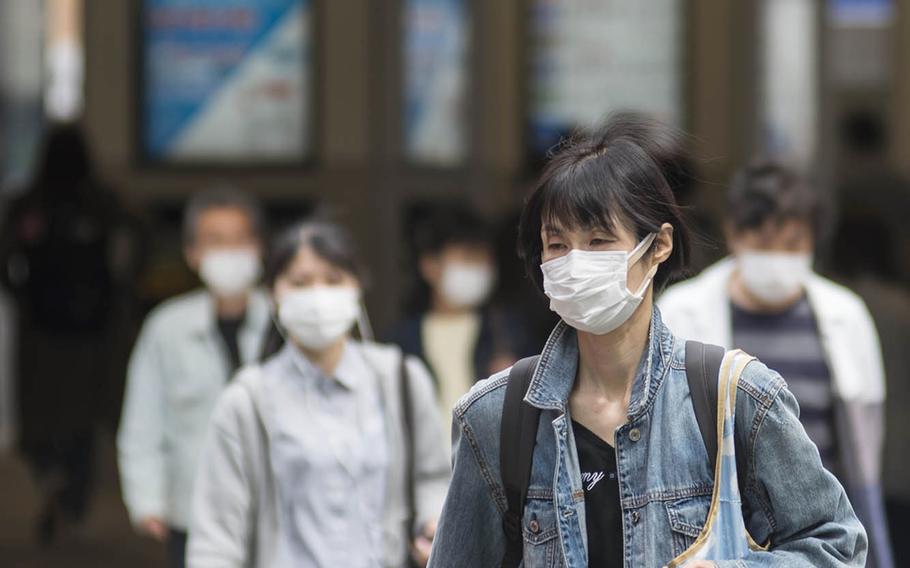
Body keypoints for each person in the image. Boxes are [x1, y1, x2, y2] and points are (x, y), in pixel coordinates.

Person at [428, 115, 866, 567]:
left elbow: (836, 543)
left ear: (658, 247)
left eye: (599, 241)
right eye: (556, 245)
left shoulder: (735, 399)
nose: (575, 264)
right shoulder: (495, 417)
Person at [659, 161, 891, 567]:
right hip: (710, 538)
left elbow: (863, 455)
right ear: (733, 233)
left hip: (818, 539)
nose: (776, 258)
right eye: (763, 242)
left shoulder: (845, 316)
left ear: (814, 242)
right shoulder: (681, 313)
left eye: (792, 244)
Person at [188, 220, 450, 568]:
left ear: (357, 287)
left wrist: (432, 527)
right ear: (273, 294)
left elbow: (434, 477)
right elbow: (217, 535)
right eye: (300, 283)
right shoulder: (247, 401)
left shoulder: (401, 379)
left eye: (333, 280)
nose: (318, 295)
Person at [117, 187, 270, 567]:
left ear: (259, 247)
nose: (230, 252)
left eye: (240, 239)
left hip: (278, 510)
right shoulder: (166, 327)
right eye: (215, 241)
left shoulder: (285, 320)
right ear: (192, 253)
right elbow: (143, 421)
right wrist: (147, 498)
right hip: (194, 511)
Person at [0, 123, 137, 543]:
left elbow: (4, 256)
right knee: (80, 418)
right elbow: (138, 240)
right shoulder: (101, 202)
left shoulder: (30, 203)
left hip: (43, 329)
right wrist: (119, 288)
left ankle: (52, 480)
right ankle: (69, 495)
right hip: (89, 329)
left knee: (43, 417)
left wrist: (21, 295)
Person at [391, 207, 534, 426]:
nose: (478, 268)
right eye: (467, 257)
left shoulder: (510, 332)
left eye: (484, 259)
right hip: (426, 460)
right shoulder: (400, 341)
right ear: (430, 266)